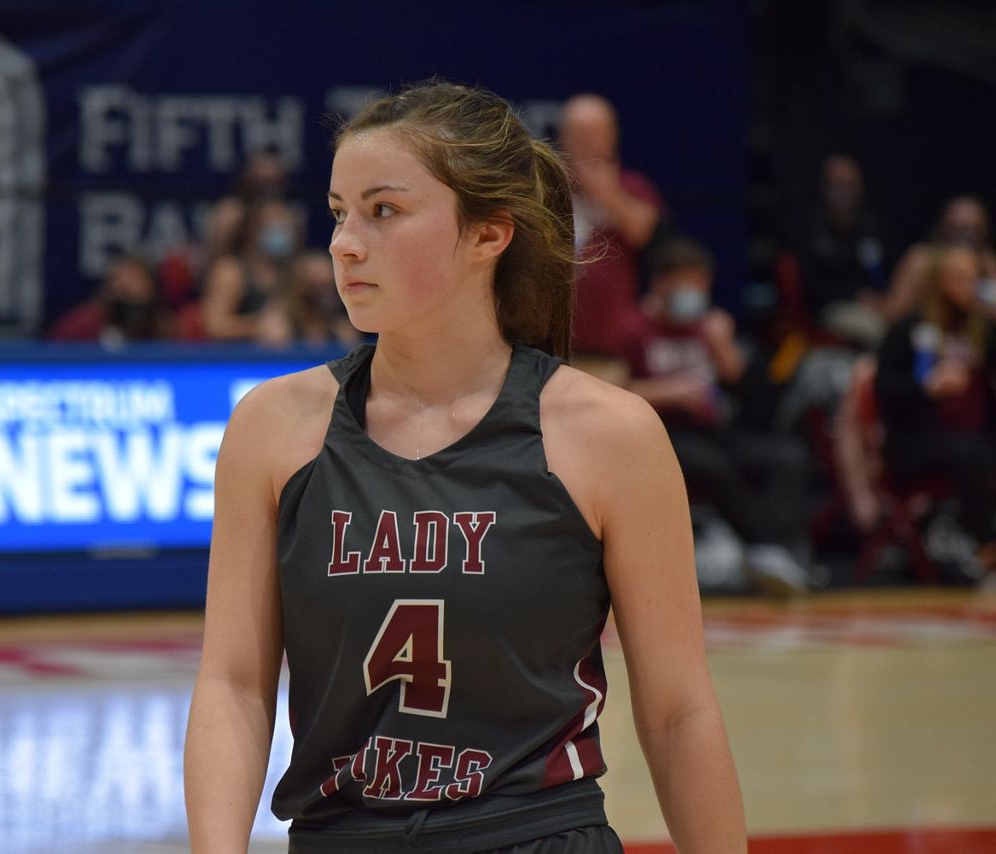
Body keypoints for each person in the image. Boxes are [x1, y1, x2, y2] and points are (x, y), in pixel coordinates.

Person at [185, 81, 746, 853]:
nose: (345, 242)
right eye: (340, 211)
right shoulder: (272, 427)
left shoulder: (608, 435)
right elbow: (234, 685)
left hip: (536, 834)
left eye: (384, 210)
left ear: (489, 234)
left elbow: (679, 712)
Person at [623, 238, 813, 594]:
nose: (695, 293)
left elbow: (743, 388)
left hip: (711, 429)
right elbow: (610, 389)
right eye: (687, 284)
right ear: (662, 282)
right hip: (660, 434)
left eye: (701, 285)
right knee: (713, 466)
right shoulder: (633, 327)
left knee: (784, 458)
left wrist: (723, 347)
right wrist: (670, 390)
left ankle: (786, 554)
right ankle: (763, 550)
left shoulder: (705, 327)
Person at [874, 244, 996, 578]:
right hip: (916, 441)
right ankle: (988, 545)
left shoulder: (983, 329)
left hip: (974, 434)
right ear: (937, 282)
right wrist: (926, 388)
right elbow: (883, 388)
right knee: (972, 455)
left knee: (976, 450)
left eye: (973, 278)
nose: (966, 286)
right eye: (958, 277)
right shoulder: (911, 328)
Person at [557, 93, 663, 381]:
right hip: (547, 349)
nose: (586, 141)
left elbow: (642, 230)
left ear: (612, 136)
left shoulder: (634, 187)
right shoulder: (546, 188)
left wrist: (603, 188)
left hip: (608, 353)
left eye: (594, 133)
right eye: (578, 133)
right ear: (563, 136)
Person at [794, 154, 888, 348]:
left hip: (876, 302)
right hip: (830, 307)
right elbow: (811, 286)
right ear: (824, 187)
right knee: (877, 330)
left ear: (859, 187)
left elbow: (880, 270)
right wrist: (855, 295)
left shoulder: (870, 225)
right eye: (835, 184)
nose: (842, 191)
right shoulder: (809, 228)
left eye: (848, 184)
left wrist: (880, 298)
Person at [200, 198, 302, 342]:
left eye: (285, 224)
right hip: (237, 359)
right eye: (274, 223)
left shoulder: (291, 270)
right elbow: (214, 325)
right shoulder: (231, 270)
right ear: (252, 229)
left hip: (284, 360)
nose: (282, 230)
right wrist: (258, 326)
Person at [882, 195, 996, 324]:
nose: (966, 236)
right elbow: (894, 312)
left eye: (973, 229)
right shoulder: (922, 259)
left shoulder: (987, 261)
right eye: (960, 228)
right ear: (945, 225)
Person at [48, 255, 173, 346]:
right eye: (122, 292)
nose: (128, 303)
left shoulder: (163, 332)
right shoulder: (81, 326)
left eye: (134, 294)